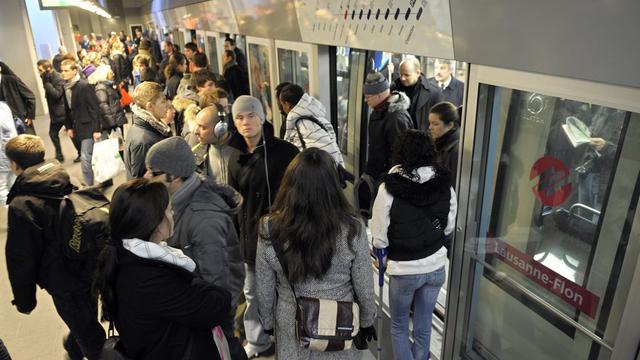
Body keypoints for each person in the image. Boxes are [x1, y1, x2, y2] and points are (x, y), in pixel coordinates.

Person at [256, 148, 377, 359]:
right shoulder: (352, 228)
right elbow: (364, 285)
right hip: (340, 324)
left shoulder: (270, 227)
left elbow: (264, 285)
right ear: (333, 185)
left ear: (289, 183)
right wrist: (366, 321)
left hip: (292, 323)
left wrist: (267, 323)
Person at [93, 178, 232, 359]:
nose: (172, 212)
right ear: (154, 222)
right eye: (168, 209)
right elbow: (218, 304)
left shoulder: (123, 256)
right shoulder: (149, 280)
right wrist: (196, 283)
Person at [144, 136, 246, 358]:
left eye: (153, 172)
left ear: (175, 176)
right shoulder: (179, 200)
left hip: (210, 316)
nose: (146, 177)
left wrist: (212, 323)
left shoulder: (203, 219)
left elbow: (217, 282)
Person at [5, 135, 106, 359]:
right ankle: (74, 347)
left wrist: (25, 300)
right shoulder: (66, 177)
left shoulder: (22, 204)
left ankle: (88, 349)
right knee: (86, 316)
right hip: (90, 262)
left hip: (63, 280)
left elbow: (22, 257)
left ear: (14, 164)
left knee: (90, 335)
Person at [370, 129, 457, 360]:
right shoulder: (445, 184)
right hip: (436, 267)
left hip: (404, 270)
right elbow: (448, 227)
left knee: (398, 326)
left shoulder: (389, 186)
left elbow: (379, 233)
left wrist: (382, 257)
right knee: (423, 324)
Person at [227, 96, 299, 358]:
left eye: (251, 115)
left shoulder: (286, 152)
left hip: (282, 238)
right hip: (249, 240)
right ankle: (257, 341)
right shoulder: (234, 157)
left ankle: (290, 339)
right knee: (253, 293)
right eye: (240, 117)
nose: (246, 122)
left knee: (286, 293)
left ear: (263, 116)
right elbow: (234, 202)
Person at [60, 59, 104, 186]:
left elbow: (94, 108)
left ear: (74, 71)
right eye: (62, 71)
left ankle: (89, 186)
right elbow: (67, 108)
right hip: (76, 127)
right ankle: (104, 179)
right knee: (91, 156)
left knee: (85, 157)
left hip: (88, 126)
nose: (63, 73)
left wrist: (96, 129)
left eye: (66, 71)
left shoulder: (84, 86)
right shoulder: (65, 87)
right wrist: (68, 127)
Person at [363, 71, 413, 181]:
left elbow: (401, 157)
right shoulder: (378, 111)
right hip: (378, 175)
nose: (365, 100)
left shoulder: (396, 118)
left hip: (388, 179)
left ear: (380, 95)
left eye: (368, 96)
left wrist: (390, 181)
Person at [279, 84, 344, 166]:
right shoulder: (320, 119)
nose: (282, 108)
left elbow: (323, 156)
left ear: (287, 104)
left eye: (282, 104)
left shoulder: (303, 125)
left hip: (315, 175)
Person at [124, 81, 174, 179]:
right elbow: (140, 181)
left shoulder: (150, 128)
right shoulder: (144, 141)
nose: (167, 105)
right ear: (150, 106)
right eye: (163, 101)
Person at [391, 57, 443, 130]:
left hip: (422, 138)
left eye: (406, 75)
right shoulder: (393, 88)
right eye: (401, 74)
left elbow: (439, 122)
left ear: (418, 73)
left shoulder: (434, 93)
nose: (402, 78)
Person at [193, 105, 238, 184]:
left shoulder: (244, 150)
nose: (196, 132)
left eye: (202, 127)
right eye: (197, 126)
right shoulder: (196, 155)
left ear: (220, 129)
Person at [37, 59, 67, 161]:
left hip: (63, 112)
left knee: (71, 133)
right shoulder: (46, 78)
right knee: (53, 133)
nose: (39, 73)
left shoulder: (57, 77)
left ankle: (80, 151)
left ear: (48, 69)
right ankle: (59, 155)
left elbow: (57, 94)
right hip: (56, 112)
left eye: (40, 70)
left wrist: (47, 84)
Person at [88, 65, 128, 135]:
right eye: (110, 73)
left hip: (117, 118)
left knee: (120, 141)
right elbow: (103, 106)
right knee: (115, 142)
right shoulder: (101, 87)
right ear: (105, 75)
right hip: (113, 122)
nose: (113, 74)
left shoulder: (109, 85)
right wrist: (112, 123)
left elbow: (118, 97)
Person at [429, 101, 461, 186]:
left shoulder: (455, 151)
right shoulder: (439, 142)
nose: (430, 127)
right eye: (430, 123)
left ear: (450, 125)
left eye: (435, 124)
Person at [0, 62, 36, 134]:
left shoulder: (13, 80)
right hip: (5, 126)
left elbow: (30, 97)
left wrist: (29, 116)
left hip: (21, 121)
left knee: (28, 143)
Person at [0, 102, 17, 205]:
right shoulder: (3, 106)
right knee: (13, 183)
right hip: (12, 153)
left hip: (2, 158)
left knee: (2, 188)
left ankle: (14, 213)